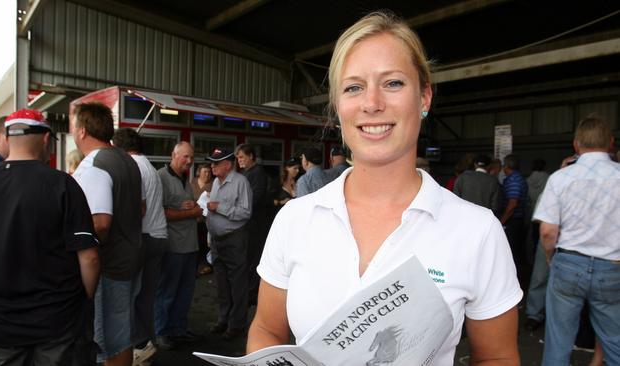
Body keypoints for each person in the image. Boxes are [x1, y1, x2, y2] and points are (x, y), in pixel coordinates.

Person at [248, 11, 522, 365]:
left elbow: (497, 358)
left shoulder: (477, 230)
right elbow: (267, 331)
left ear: (424, 98)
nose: (372, 103)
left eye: (392, 83)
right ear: (338, 107)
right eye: (353, 87)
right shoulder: (295, 219)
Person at [0, 109, 100, 366]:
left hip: (1, 323)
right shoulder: (63, 185)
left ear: (6, 139)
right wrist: (83, 300)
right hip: (58, 322)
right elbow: (90, 257)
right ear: (45, 140)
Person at [533, 116, 620, 365]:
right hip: (612, 267)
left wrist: (552, 259)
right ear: (610, 143)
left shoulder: (560, 178)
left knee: (558, 340)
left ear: (576, 144)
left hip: (569, 263)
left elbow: (548, 231)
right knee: (615, 340)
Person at [71, 102, 143, 366]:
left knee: (109, 341)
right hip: (130, 258)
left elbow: (100, 223)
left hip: (108, 265)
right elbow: (141, 207)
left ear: (81, 131)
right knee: (121, 336)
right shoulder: (126, 159)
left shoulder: (95, 164)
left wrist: (78, 250)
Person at [111, 128, 168, 363]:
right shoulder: (149, 166)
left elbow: (136, 208)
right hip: (159, 236)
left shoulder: (130, 166)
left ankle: (140, 345)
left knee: (128, 298)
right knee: (145, 299)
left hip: (142, 238)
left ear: (120, 147)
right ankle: (146, 347)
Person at [154, 142, 203, 350]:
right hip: (172, 247)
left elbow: (182, 207)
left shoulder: (185, 179)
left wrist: (193, 207)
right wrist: (189, 213)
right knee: (167, 292)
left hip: (190, 245)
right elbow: (160, 212)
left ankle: (178, 329)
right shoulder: (161, 177)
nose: (189, 161)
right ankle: (161, 332)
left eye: (191, 157)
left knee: (185, 292)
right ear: (173, 155)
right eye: (185, 157)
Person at [206, 147, 252, 341]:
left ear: (227, 164)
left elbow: (245, 212)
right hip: (217, 241)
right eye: (212, 162)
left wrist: (219, 207)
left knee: (237, 284)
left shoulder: (241, 182)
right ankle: (224, 319)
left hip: (234, 239)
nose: (212, 166)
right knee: (222, 283)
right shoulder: (216, 182)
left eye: (216, 163)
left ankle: (237, 325)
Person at [235, 143, 270, 307]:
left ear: (251, 156)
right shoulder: (245, 173)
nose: (239, 160)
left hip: (255, 226)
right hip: (247, 225)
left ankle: (252, 295)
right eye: (237, 158)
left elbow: (253, 199)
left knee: (252, 260)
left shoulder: (258, 173)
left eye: (241, 157)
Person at [500, 154, 529, 266]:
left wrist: (501, 221)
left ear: (507, 166)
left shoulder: (513, 180)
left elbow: (512, 204)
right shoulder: (518, 178)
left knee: (511, 250)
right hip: (517, 219)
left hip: (513, 221)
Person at [190, 163, 214, 275]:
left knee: (205, 243)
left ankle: (205, 265)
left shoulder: (214, 184)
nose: (207, 174)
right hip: (193, 219)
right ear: (199, 172)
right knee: (194, 243)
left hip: (207, 220)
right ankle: (193, 267)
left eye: (209, 172)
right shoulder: (192, 183)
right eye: (205, 172)